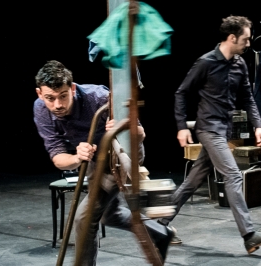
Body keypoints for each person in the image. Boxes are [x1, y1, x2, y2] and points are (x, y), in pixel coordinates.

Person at [158, 15, 261, 254]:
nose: (249, 43)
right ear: (232, 38)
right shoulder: (206, 62)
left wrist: (258, 125)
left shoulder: (239, 64)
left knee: (191, 182)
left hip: (223, 131)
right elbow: (181, 93)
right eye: (245, 39)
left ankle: (158, 224)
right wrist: (182, 126)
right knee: (233, 175)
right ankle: (249, 235)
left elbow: (247, 97)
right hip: (208, 128)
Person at [33, 60, 174, 265]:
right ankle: (160, 233)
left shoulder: (98, 98)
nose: (58, 105)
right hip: (95, 159)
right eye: (50, 98)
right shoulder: (41, 109)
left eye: (63, 96)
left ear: (72, 89)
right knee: (110, 215)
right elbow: (58, 157)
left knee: (84, 218)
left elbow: (140, 134)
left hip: (121, 154)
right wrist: (77, 158)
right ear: (39, 94)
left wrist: (122, 127)